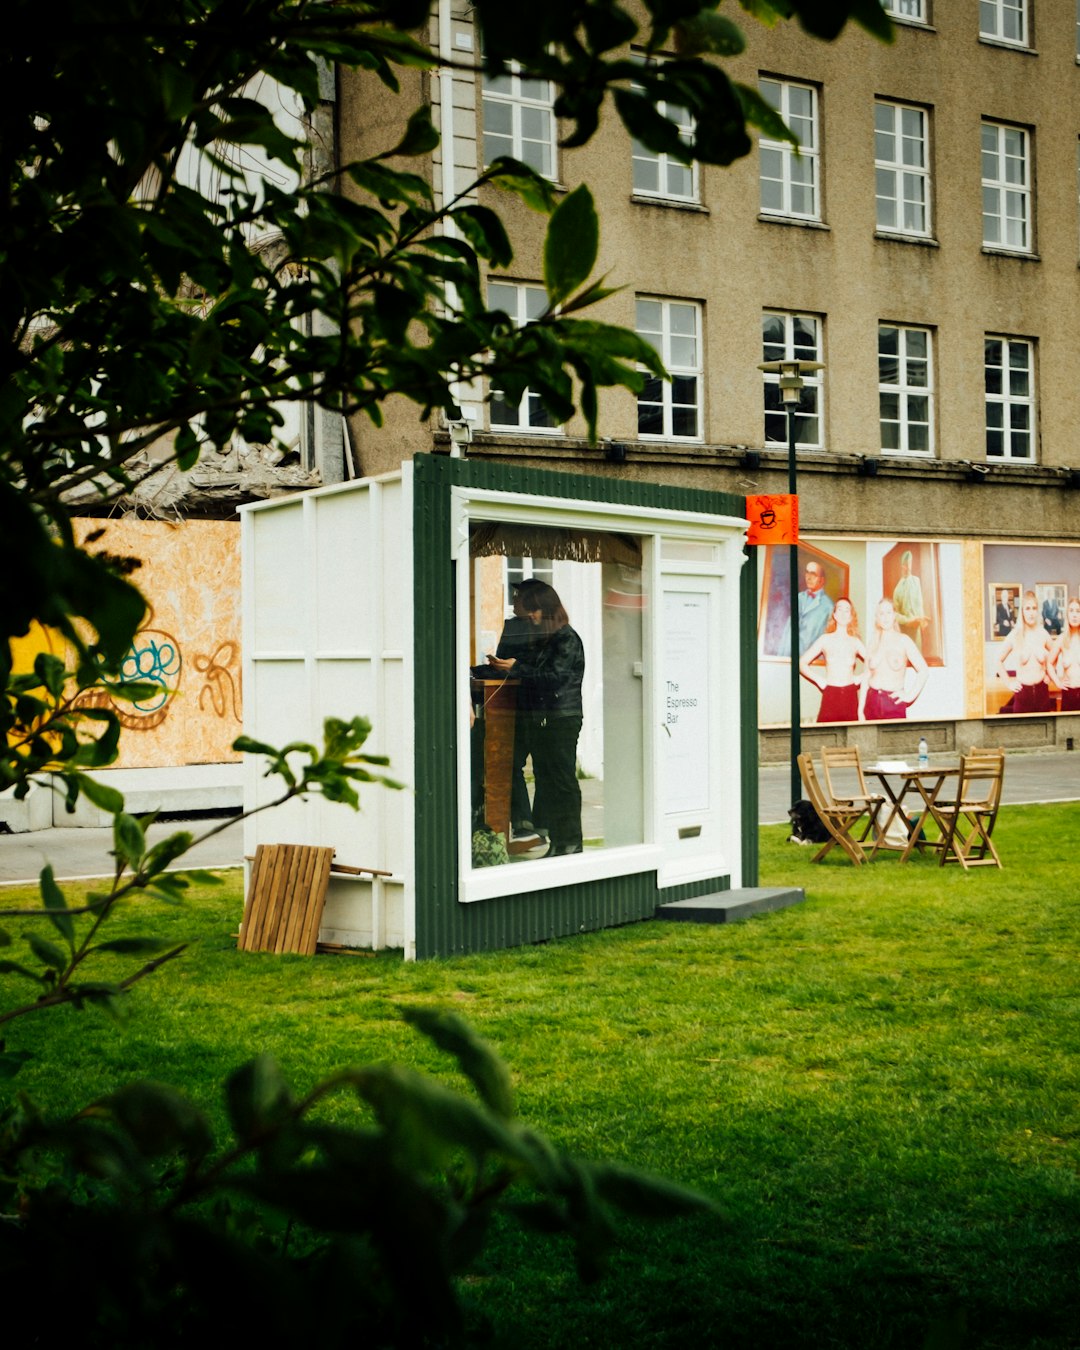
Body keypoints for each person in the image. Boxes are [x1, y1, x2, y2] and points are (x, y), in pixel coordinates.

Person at [488, 581, 585, 857]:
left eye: (529, 607)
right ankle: (559, 842)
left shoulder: (566, 638)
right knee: (547, 779)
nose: (527, 615)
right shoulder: (547, 637)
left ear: (540, 609)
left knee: (561, 780)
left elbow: (555, 678)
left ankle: (570, 842)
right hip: (547, 717)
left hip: (562, 717)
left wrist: (516, 667)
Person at [495, 583, 542, 837]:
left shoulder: (546, 630)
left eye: (519, 598)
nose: (514, 601)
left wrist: (515, 666)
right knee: (512, 763)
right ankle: (525, 823)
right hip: (515, 702)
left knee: (542, 768)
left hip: (537, 704)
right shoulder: (512, 626)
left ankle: (536, 825)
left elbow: (543, 668)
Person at [799, 596, 867, 723]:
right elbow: (802, 663)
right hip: (830, 694)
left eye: (847, 610)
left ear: (851, 616)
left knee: (851, 739)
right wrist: (819, 680)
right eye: (839, 609)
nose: (843, 613)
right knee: (826, 739)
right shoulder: (825, 639)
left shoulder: (855, 642)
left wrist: (860, 678)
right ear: (834, 615)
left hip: (850, 695)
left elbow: (874, 664)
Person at [862, 596, 929, 720]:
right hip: (871, 702)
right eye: (881, 613)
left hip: (893, 704)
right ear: (877, 618)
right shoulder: (872, 642)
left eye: (889, 612)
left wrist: (909, 696)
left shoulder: (904, 640)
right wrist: (860, 710)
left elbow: (923, 670)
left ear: (894, 616)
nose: (885, 617)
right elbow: (865, 676)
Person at [996, 589, 1053, 713]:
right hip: (1022, 696)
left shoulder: (1043, 634)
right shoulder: (1015, 635)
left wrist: (1050, 675)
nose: (1031, 612)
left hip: (1042, 694)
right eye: (1027, 608)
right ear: (1022, 611)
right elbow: (998, 661)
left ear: (1037, 611)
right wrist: (1008, 682)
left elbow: (1056, 655)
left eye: (1034, 608)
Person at [778, 559, 834, 658]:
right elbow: (788, 629)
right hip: (788, 657)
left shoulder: (829, 606)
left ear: (822, 580)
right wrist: (780, 656)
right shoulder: (798, 597)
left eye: (813, 574)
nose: (808, 577)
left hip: (810, 661)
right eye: (807, 573)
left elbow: (827, 641)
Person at [892, 549, 929, 651]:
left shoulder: (916, 581)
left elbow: (919, 604)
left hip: (917, 631)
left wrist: (922, 621)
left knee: (917, 654)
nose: (908, 567)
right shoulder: (897, 589)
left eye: (910, 563)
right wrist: (908, 621)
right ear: (902, 566)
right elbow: (895, 615)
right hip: (904, 631)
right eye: (906, 564)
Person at [1051, 597, 1080, 712]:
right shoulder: (1062, 639)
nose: (1074, 615)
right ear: (1067, 614)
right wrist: (1058, 682)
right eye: (1071, 611)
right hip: (1069, 695)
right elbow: (1049, 663)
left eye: (1078, 611)